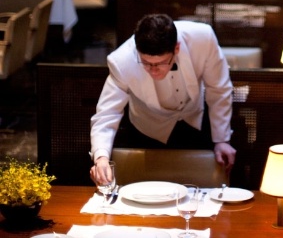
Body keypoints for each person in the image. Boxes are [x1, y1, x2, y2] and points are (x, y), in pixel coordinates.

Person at [90, 14, 236, 185]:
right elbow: (107, 112)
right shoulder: (121, 61)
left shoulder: (202, 39)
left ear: (177, 48)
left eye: (160, 63)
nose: (153, 71)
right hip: (147, 129)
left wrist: (221, 139)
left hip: (194, 119)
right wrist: (101, 157)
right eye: (145, 62)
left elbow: (218, 88)